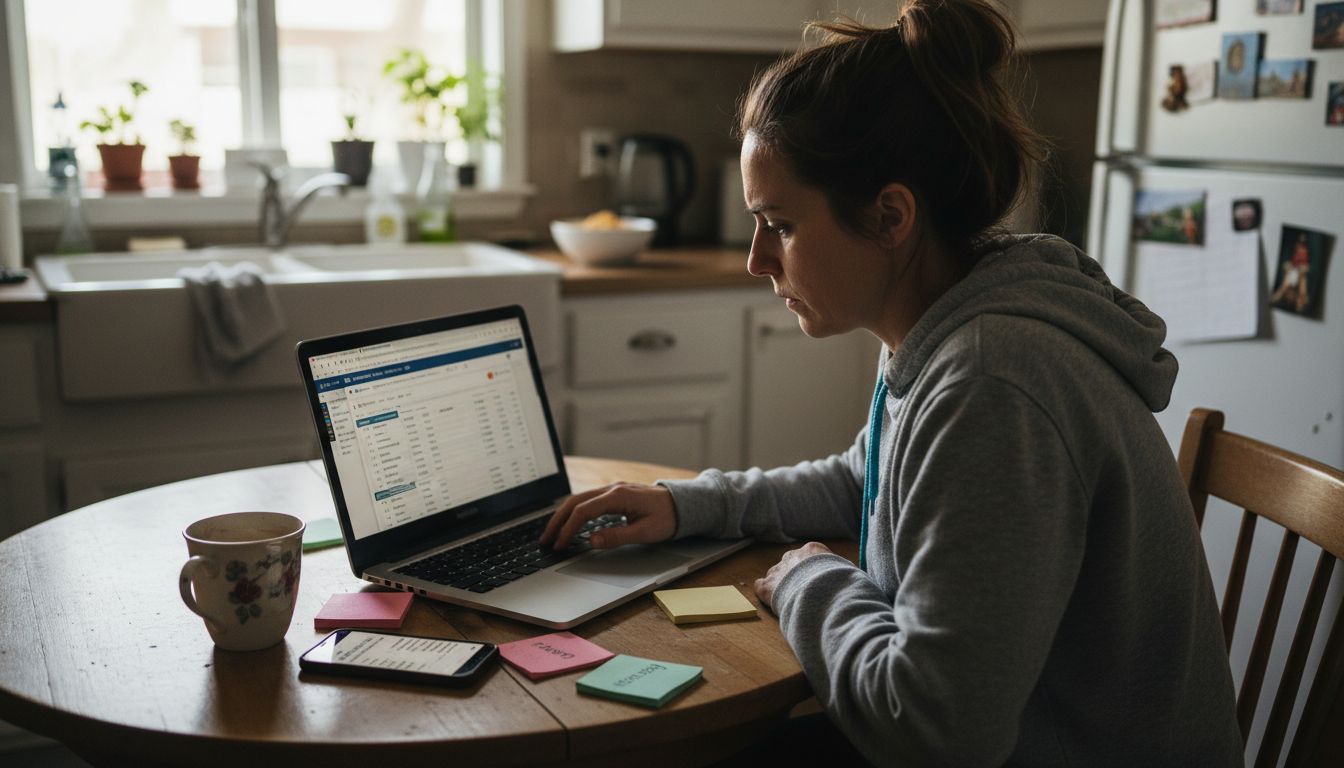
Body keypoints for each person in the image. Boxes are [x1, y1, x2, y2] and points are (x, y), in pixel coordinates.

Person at [542, 1, 1242, 764]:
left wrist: (813, 580)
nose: (755, 261)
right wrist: (692, 504)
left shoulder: (991, 381)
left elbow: (932, 731)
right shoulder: (945, 317)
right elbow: (871, 478)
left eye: (779, 224)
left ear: (890, 217)